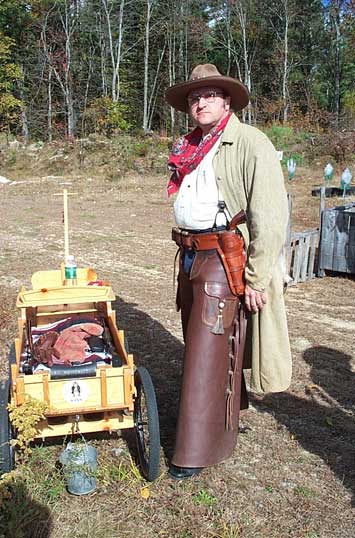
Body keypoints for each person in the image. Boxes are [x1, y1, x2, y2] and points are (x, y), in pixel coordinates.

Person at [165, 64, 292, 480]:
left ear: (227, 101)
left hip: (224, 257)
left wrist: (255, 278)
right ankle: (226, 410)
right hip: (190, 255)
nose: (200, 102)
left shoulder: (250, 142)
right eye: (193, 97)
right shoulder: (190, 146)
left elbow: (270, 218)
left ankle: (194, 451)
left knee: (205, 353)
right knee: (204, 343)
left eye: (209, 95)